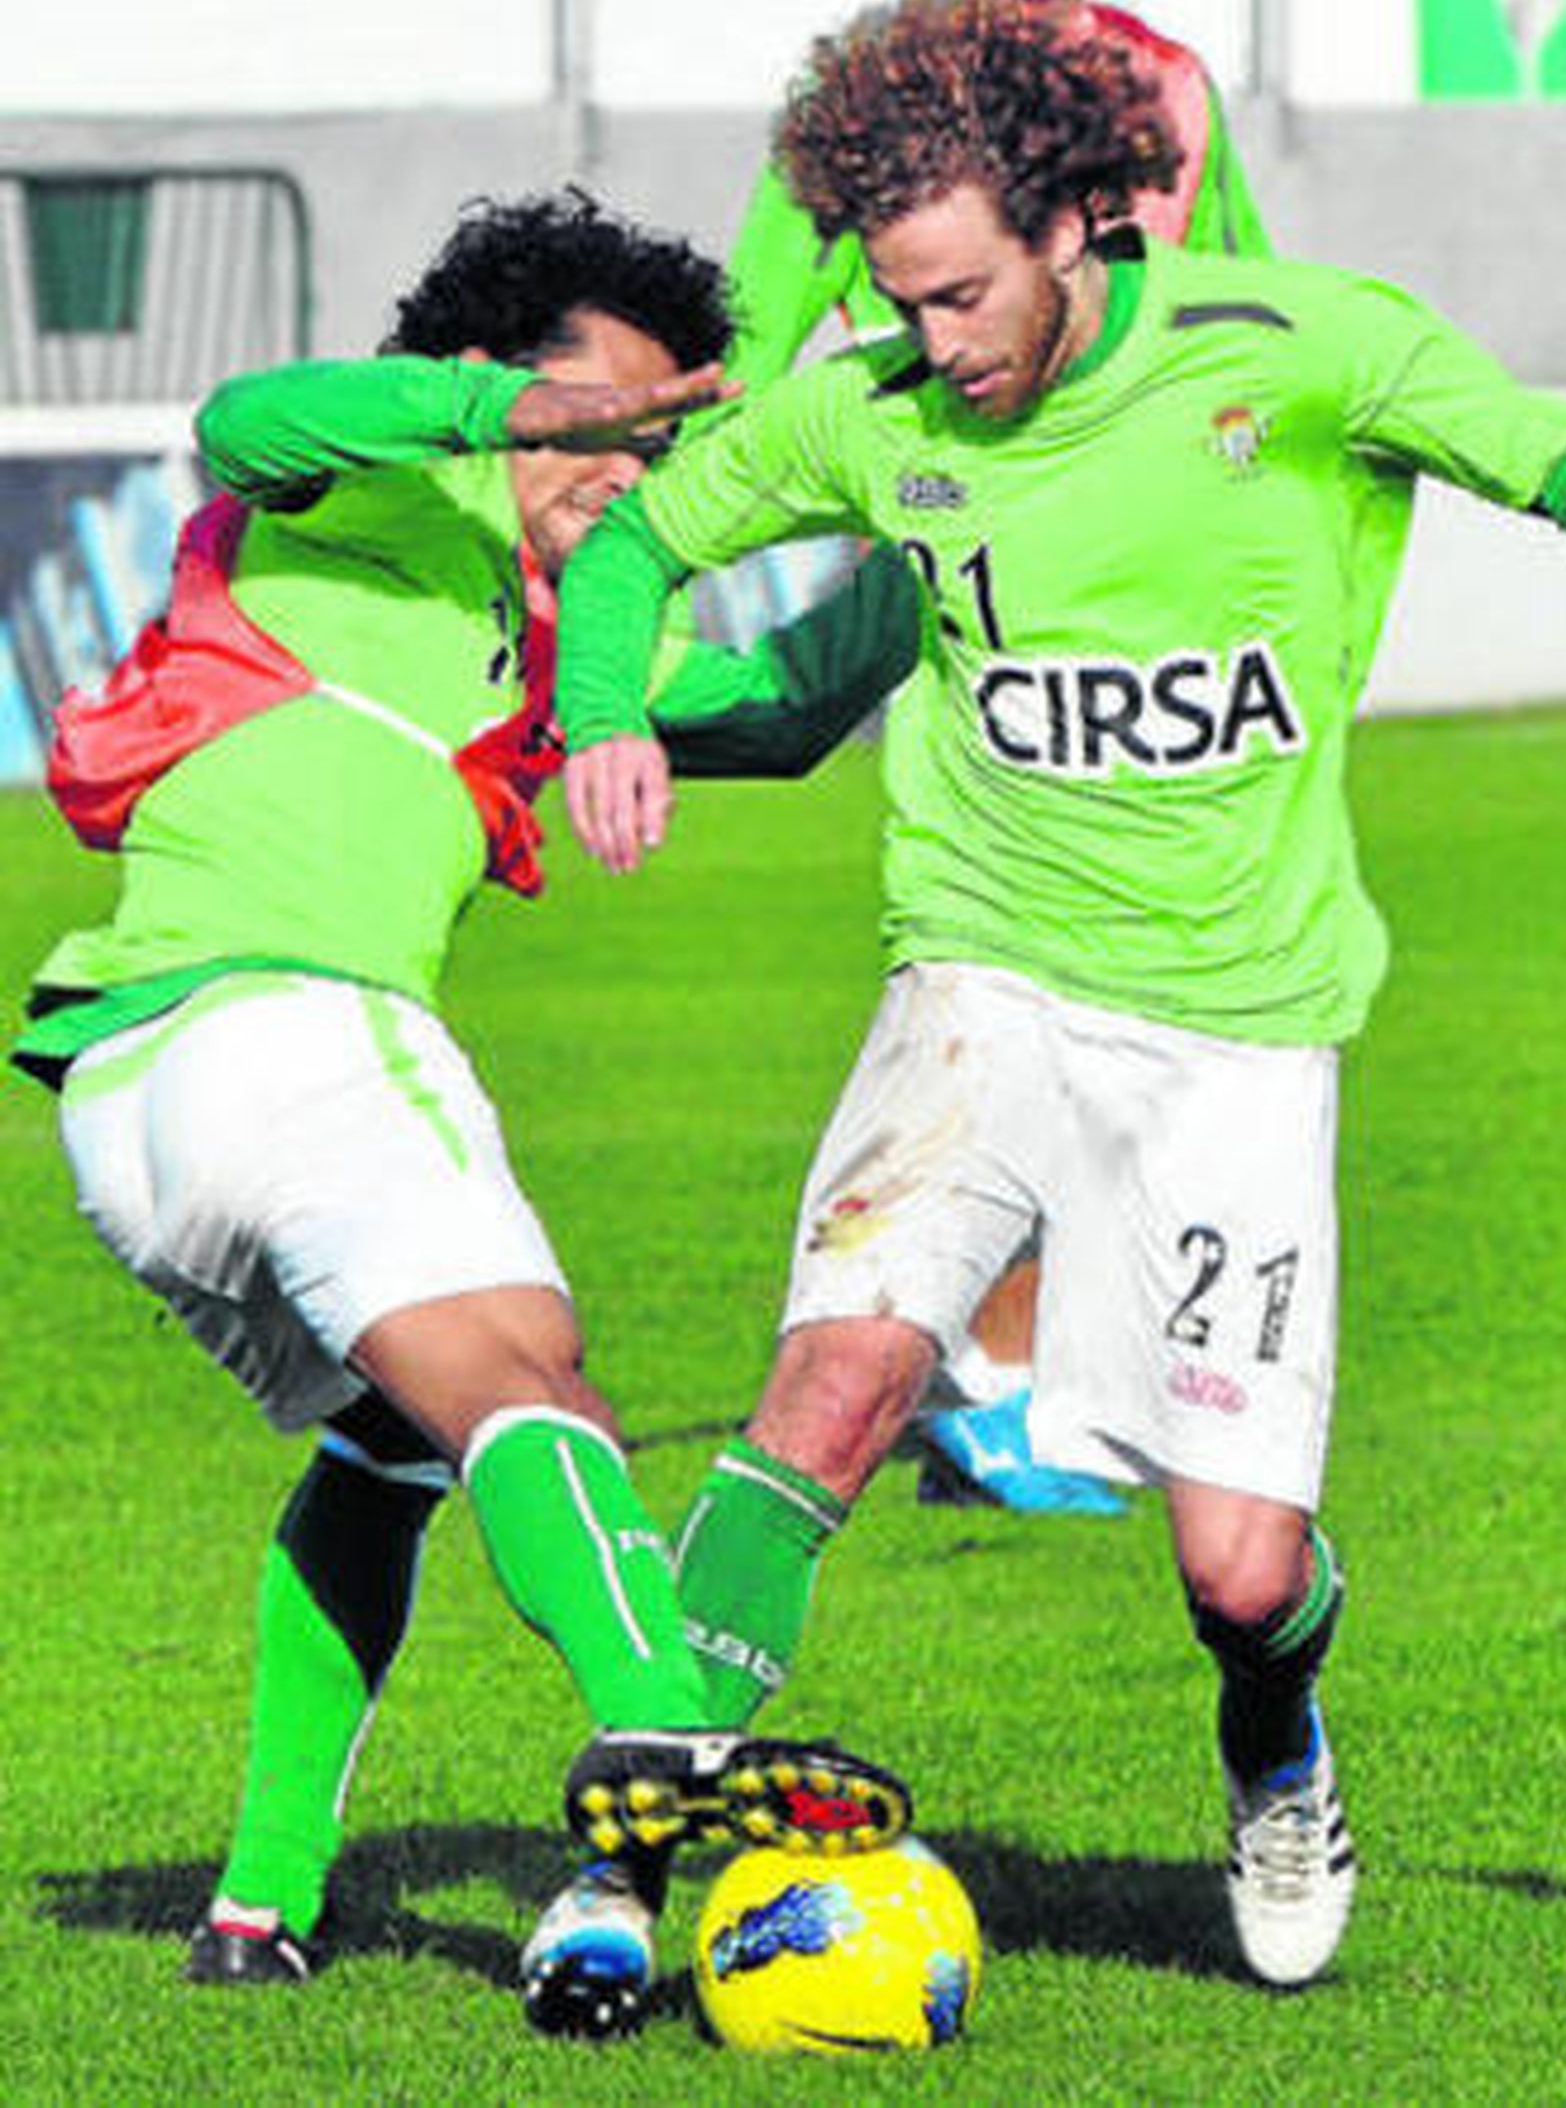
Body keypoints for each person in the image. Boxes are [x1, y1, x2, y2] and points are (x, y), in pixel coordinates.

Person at [554, 0, 1566, 1990]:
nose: (931, 344)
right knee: (833, 1382)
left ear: (1066, 230)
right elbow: (633, 557)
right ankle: (622, 1847)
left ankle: (1275, 1741)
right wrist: (607, 713)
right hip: (984, 979)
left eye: (957, 297)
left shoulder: (1292, 356)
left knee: (1238, 1565)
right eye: (898, 300)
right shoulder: (873, 406)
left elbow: (1549, 459)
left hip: (1233, 1027)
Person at [12, 190, 915, 2036]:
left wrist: (951, 507)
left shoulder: (569, 629)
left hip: (138, 1110)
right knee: (537, 1378)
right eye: (605, 418)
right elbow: (246, 416)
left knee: (390, 1445)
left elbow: (795, 702)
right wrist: (501, 416)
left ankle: (261, 1898)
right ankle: (663, 1707)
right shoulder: (379, 492)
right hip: (285, 1031)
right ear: (496, 385)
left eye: (660, 440)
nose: (626, 466)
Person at [726, 0, 1270, 1511]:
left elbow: (1234, 304)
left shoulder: (1171, 87)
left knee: (1112, 953)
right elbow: (759, 325)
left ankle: (1008, 1360)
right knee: (1004, 934)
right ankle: (968, 1348)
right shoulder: (887, 95)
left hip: (1142, 568)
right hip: (959, 539)